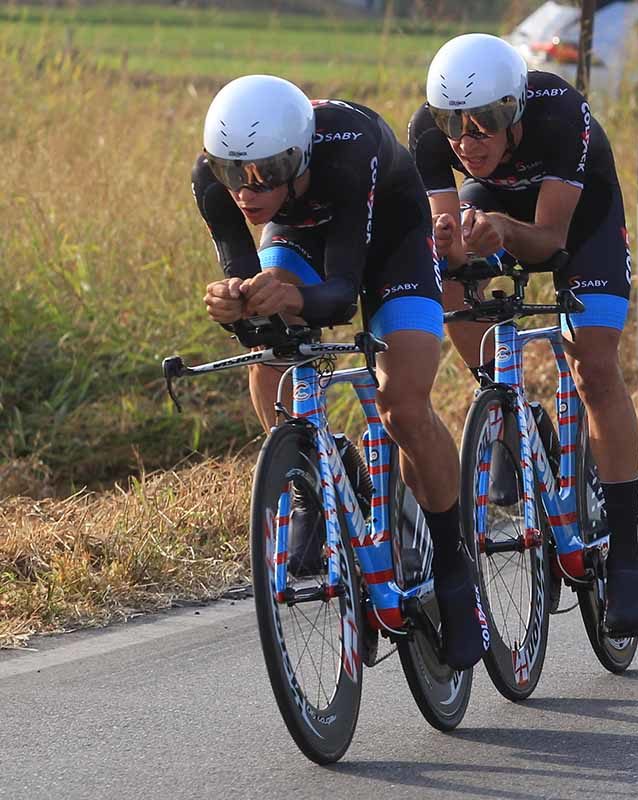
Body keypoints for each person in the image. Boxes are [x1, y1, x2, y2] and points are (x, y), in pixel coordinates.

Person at [191, 74, 488, 668]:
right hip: (302, 239)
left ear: (298, 156)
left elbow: (341, 296)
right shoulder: (214, 178)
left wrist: (289, 298)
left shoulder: (348, 150)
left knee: (402, 402)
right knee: (272, 342)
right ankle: (313, 479)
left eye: (264, 173)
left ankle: (455, 570)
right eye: (233, 174)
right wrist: (236, 302)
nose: (246, 193)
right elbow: (255, 301)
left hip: (392, 241)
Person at [408, 34, 638, 636]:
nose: (468, 141)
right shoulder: (428, 133)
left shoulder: (560, 111)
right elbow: (445, 239)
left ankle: (624, 549)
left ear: (514, 110)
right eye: (454, 127)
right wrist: (457, 242)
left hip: (580, 218)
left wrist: (501, 229)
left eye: (485, 124)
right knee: (447, 282)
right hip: (493, 205)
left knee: (592, 367)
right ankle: (507, 408)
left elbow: (549, 242)